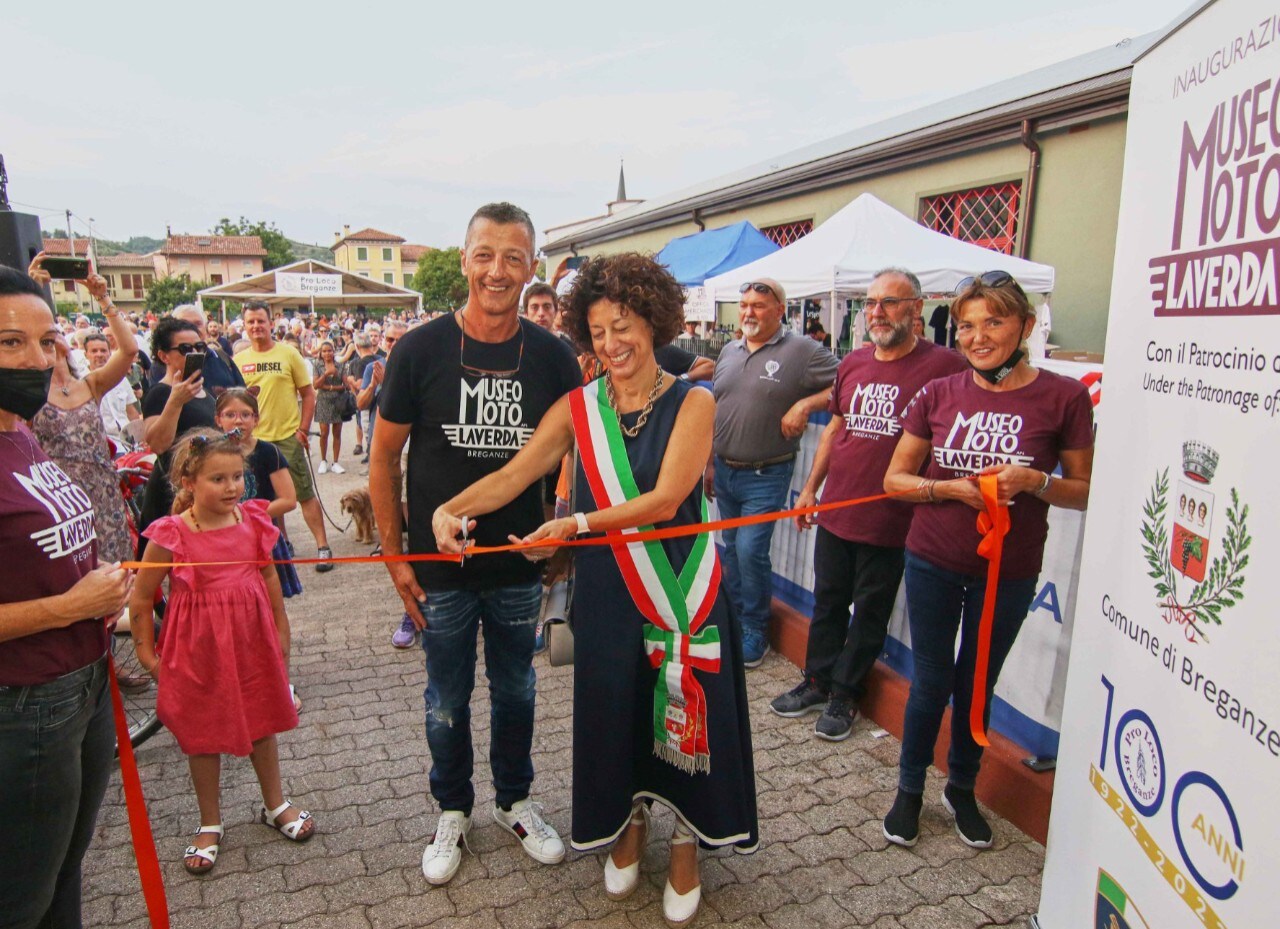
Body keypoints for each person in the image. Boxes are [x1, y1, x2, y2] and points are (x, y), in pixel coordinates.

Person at [432, 254, 758, 926]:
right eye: (600, 331)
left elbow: (668, 501)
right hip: (610, 591)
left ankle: (691, 837)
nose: (612, 343)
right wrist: (449, 509)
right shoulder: (581, 406)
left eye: (625, 326)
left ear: (655, 321)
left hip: (681, 589)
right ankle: (632, 818)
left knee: (686, 702)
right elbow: (517, 473)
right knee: (621, 706)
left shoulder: (694, 400)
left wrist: (577, 521)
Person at [370, 202, 579, 885]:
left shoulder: (552, 357)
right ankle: (452, 808)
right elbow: (382, 460)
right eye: (484, 254)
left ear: (531, 268)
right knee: (444, 697)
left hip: (518, 562)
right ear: (464, 260)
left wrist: (561, 526)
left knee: (517, 689)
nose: (497, 270)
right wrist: (396, 557)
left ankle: (515, 800)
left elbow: (570, 452)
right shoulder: (419, 348)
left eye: (513, 257)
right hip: (442, 568)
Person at [881, 271, 1093, 849]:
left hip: (1011, 568)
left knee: (978, 682)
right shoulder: (939, 393)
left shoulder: (1063, 397)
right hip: (933, 558)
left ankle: (962, 789)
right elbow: (894, 478)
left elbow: (1084, 488)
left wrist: (1036, 480)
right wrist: (948, 489)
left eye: (993, 322)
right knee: (930, 680)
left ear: (1024, 326)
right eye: (967, 325)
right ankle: (908, 790)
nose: (977, 337)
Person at [770, 269, 967, 740]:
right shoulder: (854, 363)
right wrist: (810, 488)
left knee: (870, 611)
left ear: (916, 309)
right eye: (872, 302)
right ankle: (817, 680)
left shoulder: (946, 366)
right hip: (839, 507)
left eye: (890, 302)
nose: (877, 312)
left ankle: (845, 695)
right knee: (829, 601)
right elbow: (837, 428)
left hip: (894, 517)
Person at [0, 264, 133, 928]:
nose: (34, 358)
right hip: (24, 701)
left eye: (46, 340)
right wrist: (66, 608)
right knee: (21, 893)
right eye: (9, 343)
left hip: (81, 681)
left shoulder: (20, 431)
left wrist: (102, 585)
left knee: (62, 872)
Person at [129, 430, 314, 874]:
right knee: (201, 734)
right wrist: (146, 655)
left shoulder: (252, 520)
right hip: (199, 652)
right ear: (188, 482)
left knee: (261, 721)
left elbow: (268, 577)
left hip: (250, 642)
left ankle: (275, 803)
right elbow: (141, 598)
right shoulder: (170, 534)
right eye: (218, 479)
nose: (232, 487)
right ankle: (209, 821)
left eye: (236, 477)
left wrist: (280, 627)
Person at [708, 277, 838, 666]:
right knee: (731, 550)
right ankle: (732, 619)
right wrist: (708, 463)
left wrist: (804, 405)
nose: (748, 312)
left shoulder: (802, 350)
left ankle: (755, 629)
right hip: (724, 470)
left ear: (780, 310)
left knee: (750, 551)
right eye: (744, 304)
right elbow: (717, 408)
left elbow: (850, 385)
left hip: (766, 473)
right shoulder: (729, 350)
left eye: (759, 305)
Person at [234, 301, 334, 572]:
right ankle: (282, 545)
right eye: (250, 321)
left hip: (287, 436)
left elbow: (308, 394)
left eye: (260, 321)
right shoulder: (239, 362)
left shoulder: (288, 354)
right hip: (252, 442)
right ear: (244, 325)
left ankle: (323, 546)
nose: (256, 326)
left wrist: (302, 429)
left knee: (302, 492)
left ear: (271, 323)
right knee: (265, 498)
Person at [215, 388, 303, 602]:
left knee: (271, 601)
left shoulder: (268, 452)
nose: (238, 422)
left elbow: (288, 500)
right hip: (222, 538)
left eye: (245, 415)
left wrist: (247, 515)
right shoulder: (212, 455)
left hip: (260, 537)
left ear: (256, 419)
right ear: (218, 420)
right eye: (230, 415)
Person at [137, 317, 214, 537]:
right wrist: (176, 401)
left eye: (199, 347)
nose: (194, 353)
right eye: (185, 348)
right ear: (163, 356)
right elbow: (158, 444)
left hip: (202, 490)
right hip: (172, 494)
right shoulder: (161, 392)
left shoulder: (202, 390)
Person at [311, 340, 348, 474]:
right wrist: (326, 374)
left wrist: (334, 378)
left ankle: (336, 462)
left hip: (338, 402)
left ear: (334, 351)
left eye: (330, 350)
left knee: (337, 432)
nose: (327, 353)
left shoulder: (341, 365)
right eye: (324, 351)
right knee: (324, 432)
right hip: (323, 401)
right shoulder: (317, 365)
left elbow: (346, 385)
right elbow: (315, 385)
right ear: (321, 353)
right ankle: (323, 460)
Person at [344, 332, 378, 459]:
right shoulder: (379, 357)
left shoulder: (361, 363)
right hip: (378, 402)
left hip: (367, 403)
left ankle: (371, 463)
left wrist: (350, 379)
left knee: (370, 435)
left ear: (357, 346)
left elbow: (359, 385)